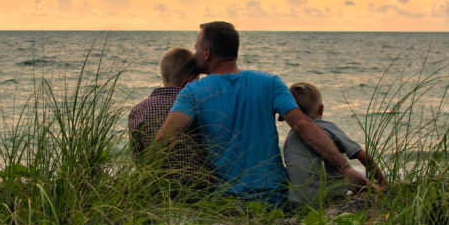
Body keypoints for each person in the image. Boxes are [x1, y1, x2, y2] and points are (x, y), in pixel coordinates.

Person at [155, 21, 378, 207]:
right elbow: (304, 126)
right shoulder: (270, 82)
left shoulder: (192, 92)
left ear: (207, 52)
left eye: (196, 49)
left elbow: (164, 139)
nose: (194, 55)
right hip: (275, 199)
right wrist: (345, 168)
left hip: (226, 201)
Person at [283, 81, 387, 209]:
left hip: (297, 204)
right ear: (321, 109)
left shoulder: (290, 137)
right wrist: (383, 182)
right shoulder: (328, 128)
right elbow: (362, 155)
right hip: (331, 200)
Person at [129, 47, 214, 190]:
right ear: (191, 80)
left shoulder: (138, 110)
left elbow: (138, 160)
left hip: (154, 191)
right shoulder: (201, 107)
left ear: (163, 74)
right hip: (199, 193)